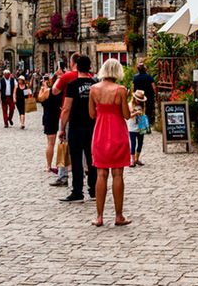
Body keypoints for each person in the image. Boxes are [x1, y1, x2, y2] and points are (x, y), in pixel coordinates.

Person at [89, 58, 132, 226]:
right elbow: (126, 115)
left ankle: (99, 217)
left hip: (100, 133)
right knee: (118, 174)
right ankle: (118, 216)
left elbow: (92, 114)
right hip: (117, 133)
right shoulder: (120, 90)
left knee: (101, 174)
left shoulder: (93, 89)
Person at [58, 55, 97, 204]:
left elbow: (66, 108)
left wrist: (62, 128)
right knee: (91, 159)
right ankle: (93, 189)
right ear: (89, 67)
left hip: (75, 126)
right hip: (91, 126)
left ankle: (77, 191)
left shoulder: (73, 85)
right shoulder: (94, 84)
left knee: (76, 160)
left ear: (76, 67)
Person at [38, 74, 63, 178]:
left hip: (49, 117)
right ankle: (65, 165)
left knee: (50, 143)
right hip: (59, 116)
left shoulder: (47, 91)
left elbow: (40, 99)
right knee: (63, 142)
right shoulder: (61, 91)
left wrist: (43, 89)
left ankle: (48, 165)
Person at [128, 89, 149, 167]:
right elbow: (129, 116)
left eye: (141, 100)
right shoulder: (130, 105)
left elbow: (143, 116)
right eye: (138, 99)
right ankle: (132, 160)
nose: (139, 101)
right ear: (134, 98)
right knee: (133, 144)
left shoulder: (142, 106)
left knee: (140, 143)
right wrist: (136, 113)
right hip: (132, 127)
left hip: (141, 127)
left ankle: (137, 159)